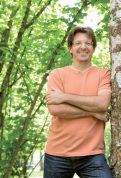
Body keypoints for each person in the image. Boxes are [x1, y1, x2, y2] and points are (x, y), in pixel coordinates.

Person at [44, 26, 113, 178]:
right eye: (78, 43)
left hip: (92, 155)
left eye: (88, 43)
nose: (83, 47)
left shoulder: (103, 73)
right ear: (70, 48)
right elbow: (56, 110)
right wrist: (93, 112)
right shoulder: (57, 74)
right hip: (56, 154)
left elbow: (102, 104)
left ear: (93, 48)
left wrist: (64, 97)